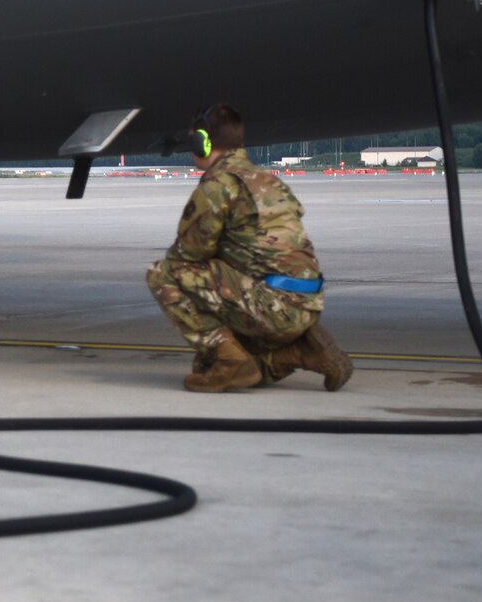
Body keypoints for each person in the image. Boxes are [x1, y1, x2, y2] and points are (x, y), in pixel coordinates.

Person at [145, 104, 353, 392]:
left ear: (202, 143)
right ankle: (302, 352)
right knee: (213, 366)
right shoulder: (266, 179)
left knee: (163, 274)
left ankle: (231, 359)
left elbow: (188, 256)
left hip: (271, 307)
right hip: (305, 304)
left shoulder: (219, 184)